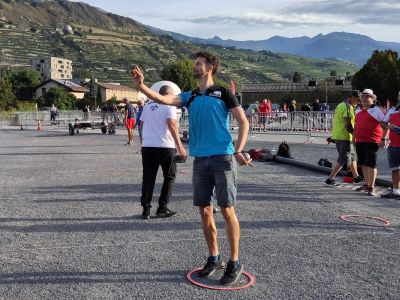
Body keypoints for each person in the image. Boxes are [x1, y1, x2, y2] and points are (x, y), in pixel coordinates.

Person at [131, 51, 251, 286]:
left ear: (209, 67)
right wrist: (142, 86)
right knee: (204, 211)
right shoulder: (191, 95)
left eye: (198, 63)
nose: (194, 66)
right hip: (201, 160)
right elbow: (164, 100)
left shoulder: (224, 93)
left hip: (223, 158)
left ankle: (234, 261)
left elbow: (243, 121)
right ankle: (214, 257)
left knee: (227, 210)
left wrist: (238, 150)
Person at [140, 85, 187, 219]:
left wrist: (143, 141)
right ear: (169, 94)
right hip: (165, 145)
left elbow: (142, 124)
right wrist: (180, 146)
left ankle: (146, 208)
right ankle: (162, 207)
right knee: (169, 176)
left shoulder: (148, 105)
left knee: (148, 177)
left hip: (148, 146)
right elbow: (171, 124)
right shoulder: (169, 104)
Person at [325, 90, 363, 185]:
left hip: (339, 135)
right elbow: (348, 124)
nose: (358, 102)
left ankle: (356, 177)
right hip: (345, 136)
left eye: (359, 100)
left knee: (352, 157)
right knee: (343, 160)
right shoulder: (347, 107)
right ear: (351, 97)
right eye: (357, 100)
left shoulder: (340, 105)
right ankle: (330, 178)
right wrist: (354, 134)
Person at [354, 89, 387, 196]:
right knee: (363, 163)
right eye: (362, 97)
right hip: (360, 141)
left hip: (372, 141)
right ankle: (366, 184)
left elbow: (386, 125)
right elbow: (356, 126)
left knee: (371, 164)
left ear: (373, 99)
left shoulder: (377, 110)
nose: (364, 98)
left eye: (367, 96)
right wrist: (354, 139)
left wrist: (383, 139)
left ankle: (372, 187)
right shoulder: (358, 110)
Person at [380, 90, 400, 199]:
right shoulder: (392, 110)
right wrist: (389, 127)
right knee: (394, 169)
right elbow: (383, 122)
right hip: (393, 144)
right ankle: (396, 192)